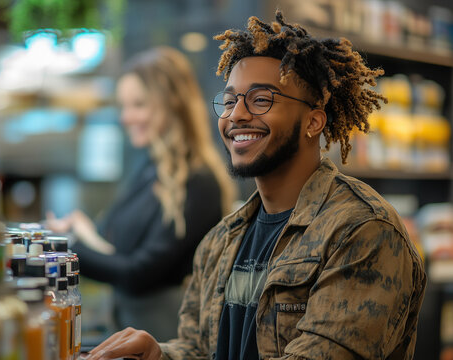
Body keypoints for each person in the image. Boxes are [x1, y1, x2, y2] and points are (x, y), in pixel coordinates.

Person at [84, 11, 427, 360]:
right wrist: (161, 354)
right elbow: (201, 349)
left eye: (261, 100)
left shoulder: (361, 231)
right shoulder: (221, 241)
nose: (236, 115)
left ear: (313, 121)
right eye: (230, 100)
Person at [47, 47, 237, 342]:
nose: (126, 117)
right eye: (124, 106)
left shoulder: (199, 182)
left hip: (169, 340)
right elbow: (117, 251)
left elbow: (139, 274)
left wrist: (69, 247)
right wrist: (82, 232)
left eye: (138, 104)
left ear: (172, 104)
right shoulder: (150, 168)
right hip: (131, 329)